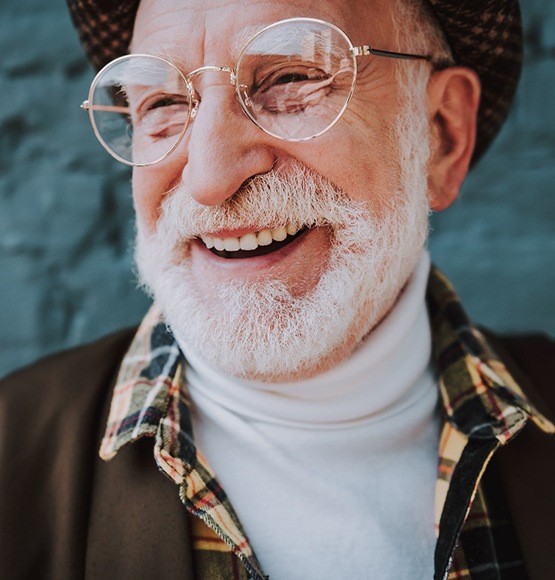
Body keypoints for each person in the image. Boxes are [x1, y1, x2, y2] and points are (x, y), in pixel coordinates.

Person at [0, 0, 554, 578]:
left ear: (441, 133)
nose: (210, 178)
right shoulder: (12, 450)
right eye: (164, 103)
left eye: (292, 80)